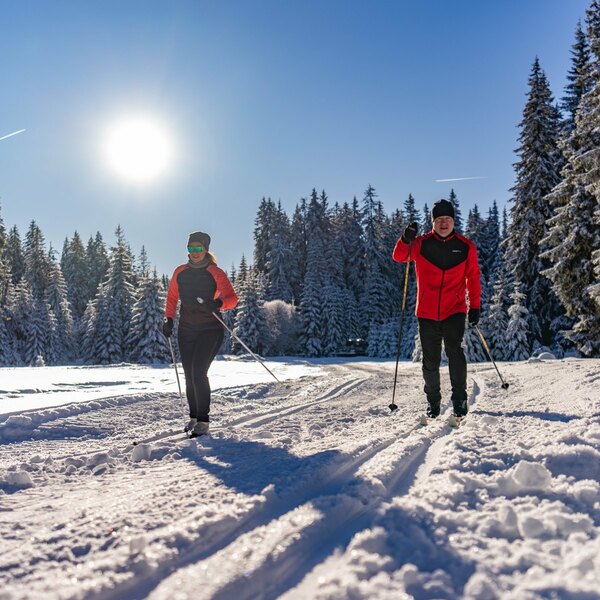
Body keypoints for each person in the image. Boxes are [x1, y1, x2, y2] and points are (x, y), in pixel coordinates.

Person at [392, 199, 481, 420]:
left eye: (447, 219)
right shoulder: (421, 244)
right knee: (430, 361)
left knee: (455, 352)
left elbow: (473, 278)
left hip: (454, 309)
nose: (443, 223)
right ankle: (433, 403)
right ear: (433, 222)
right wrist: (405, 239)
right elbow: (399, 256)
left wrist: (475, 306)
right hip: (427, 312)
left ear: (453, 221)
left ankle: (459, 400)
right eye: (439, 219)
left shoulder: (465, 246)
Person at [163, 231, 238, 437]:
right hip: (186, 329)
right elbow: (171, 299)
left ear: (205, 249)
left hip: (210, 329)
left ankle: (203, 422)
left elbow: (232, 298)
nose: (194, 252)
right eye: (191, 248)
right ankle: (194, 416)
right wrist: (168, 319)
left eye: (198, 248)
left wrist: (217, 304)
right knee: (189, 375)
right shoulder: (180, 272)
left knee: (198, 372)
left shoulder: (215, 272)